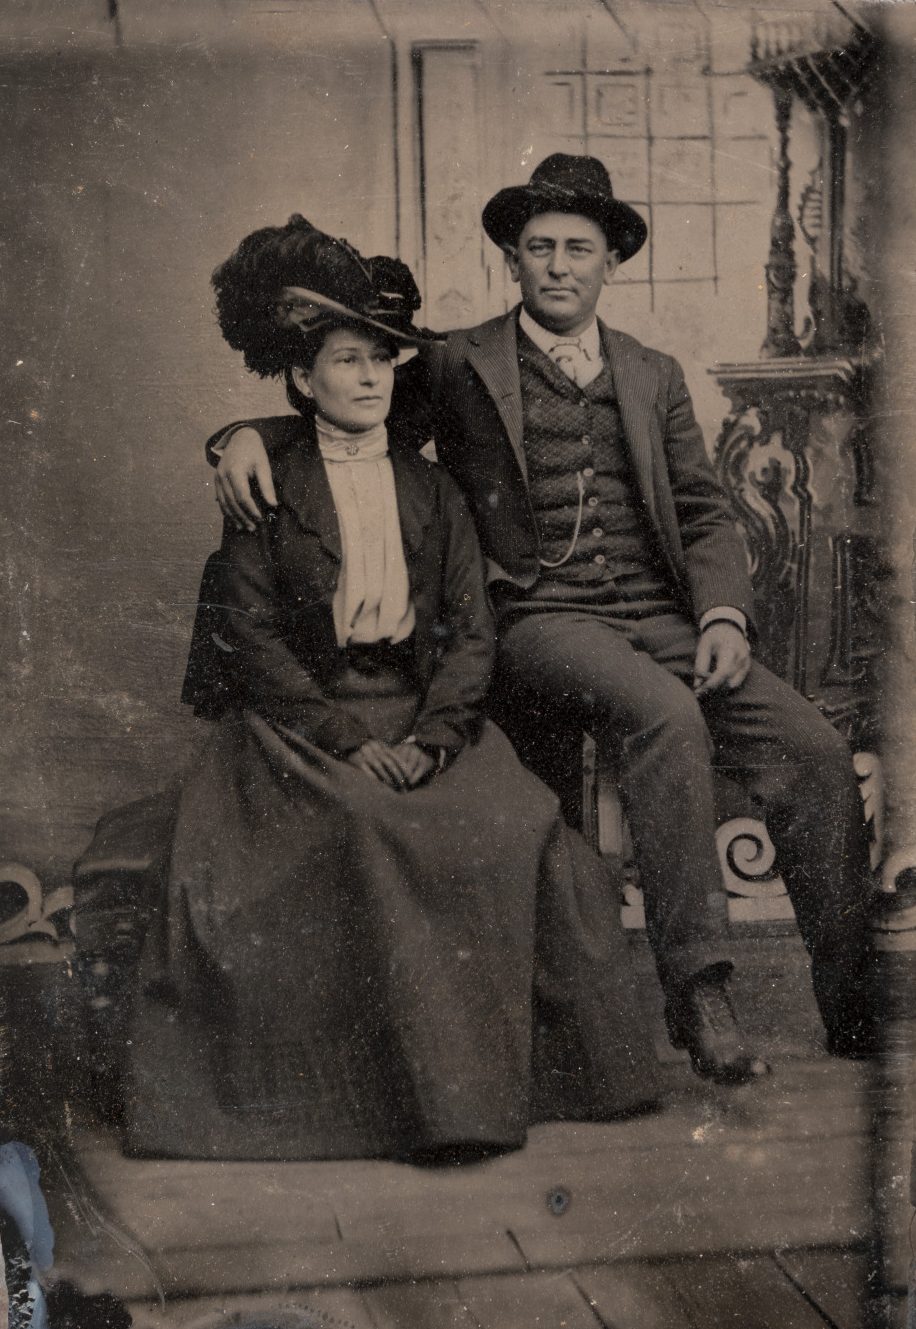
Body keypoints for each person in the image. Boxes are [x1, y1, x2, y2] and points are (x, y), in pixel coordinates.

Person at [212, 156, 878, 1084]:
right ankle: (701, 990)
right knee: (665, 716)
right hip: (540, 618)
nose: (559, 266)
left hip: (664, 618)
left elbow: (701, 511)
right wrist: (241, 435)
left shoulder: (652, 372)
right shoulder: (458, 361)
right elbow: (351, 412)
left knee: (811, 746)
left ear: (612, 263)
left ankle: (853, 1004)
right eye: (540, 248)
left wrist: (724, 614)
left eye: (578, 249)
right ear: (513, 261)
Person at [75, 216, 658, 1162]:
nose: (372, 377)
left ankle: (504, 1088)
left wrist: (435, 737)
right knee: (368, 827)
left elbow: (472, 629)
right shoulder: (266, 484)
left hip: (422, 713)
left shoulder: (435, 490)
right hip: (301, 722)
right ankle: (387, 1105)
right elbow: (254, 638)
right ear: (304, 380)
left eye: (384, 359)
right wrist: (348, 739)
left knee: (523, 826)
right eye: (348, 360)